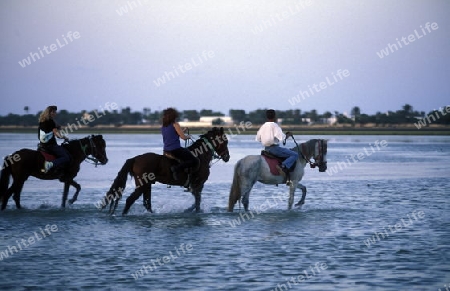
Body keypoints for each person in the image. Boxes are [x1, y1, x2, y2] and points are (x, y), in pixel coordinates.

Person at [256, 109, 299, 178]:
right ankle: (282, 166)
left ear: (267, 117)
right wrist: (288, 135)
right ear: (275, 116)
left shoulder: (263, 126)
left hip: (266, 149)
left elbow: (258, 138)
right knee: (295, 155)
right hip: (274, 149)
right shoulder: (275, 125)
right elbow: (282, 137)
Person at [161, 108, 199, 183]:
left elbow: (173, 135)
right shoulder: (175, 124)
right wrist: (189, 136)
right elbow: (183, 137)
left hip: (166, 150)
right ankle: (176, 169)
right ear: (173, 116)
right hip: (175, 150)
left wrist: (183, 131)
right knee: (194, 160)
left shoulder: (163, 126)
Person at [38, 105, 70, 173]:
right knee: (66, 157)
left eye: (55, 112)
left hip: (42, 145)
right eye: (54, 112)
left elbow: (48, 130)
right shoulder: (50, 121)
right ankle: (50, 164)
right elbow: (57, 134)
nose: (55, 113)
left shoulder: (42, 121)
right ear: (50, 112)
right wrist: (63, 137)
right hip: (51, 145)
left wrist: (57, 127)